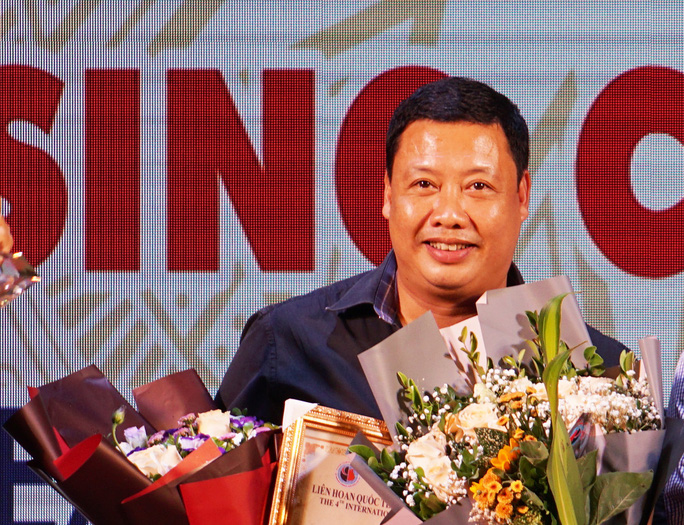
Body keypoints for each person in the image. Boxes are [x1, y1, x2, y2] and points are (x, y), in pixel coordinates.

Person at [216, 76, 627, 424]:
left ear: (521, 197)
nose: (449, 215)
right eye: (424, 184)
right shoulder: (287, 343)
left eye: (478, 186)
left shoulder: (601, 375)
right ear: (388, 195)